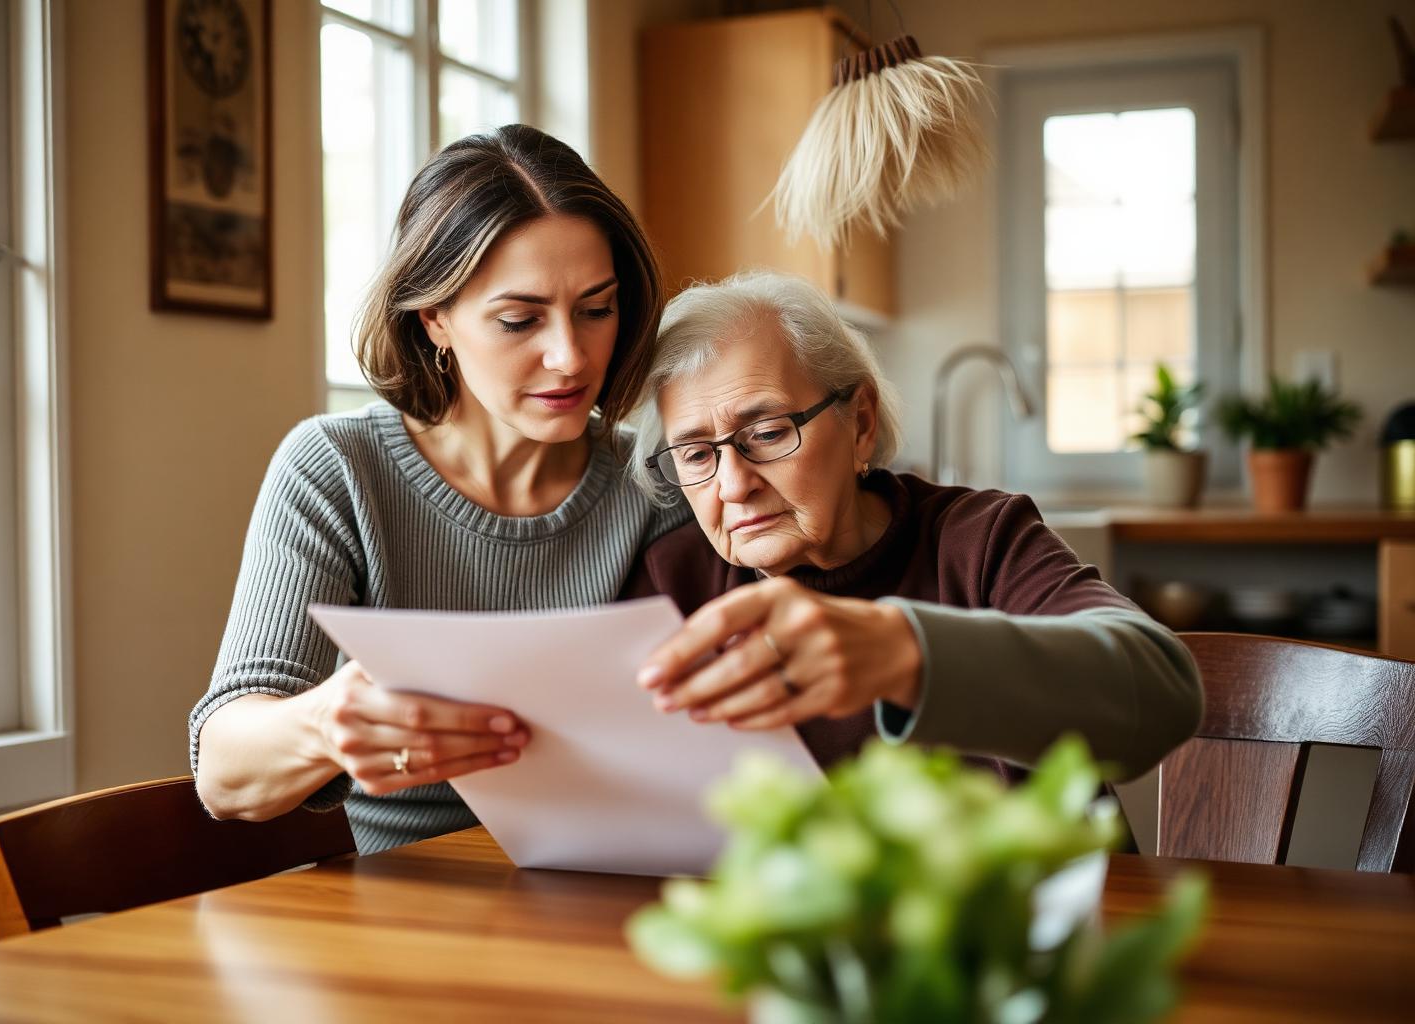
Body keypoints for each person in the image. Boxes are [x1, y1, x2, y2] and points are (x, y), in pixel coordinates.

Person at [191, 125, 687, 853]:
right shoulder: (337, 468)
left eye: (596, 309)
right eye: (520, 319)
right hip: (409, 911)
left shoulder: (658, 479)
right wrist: (328, 723)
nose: (570, 356)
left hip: (613, 885)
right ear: (435, 320)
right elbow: (226, 778)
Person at [624, 270, 1202, 783]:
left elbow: (1160, 691)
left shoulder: (979, 543)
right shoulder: (677, 580)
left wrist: (906, 654)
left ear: (861, 424)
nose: (732, 484)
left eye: (770, 432)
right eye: (697, 454)